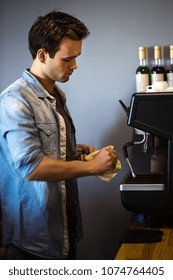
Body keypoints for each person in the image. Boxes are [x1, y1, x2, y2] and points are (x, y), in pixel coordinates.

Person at [0, 11, 118, 260]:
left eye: (76, 57)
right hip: (32, 243)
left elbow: (44, 149)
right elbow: (32, 168)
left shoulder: (57, 96)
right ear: (42, 55)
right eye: (68, 59)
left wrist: (74, 151)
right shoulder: (15, 100)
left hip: (63, 229)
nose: (75, 65)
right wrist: (93, 168)